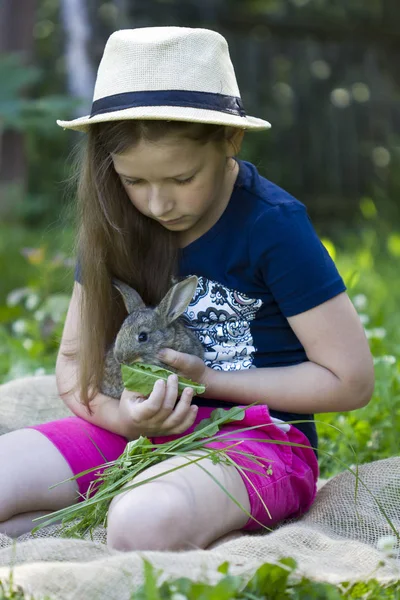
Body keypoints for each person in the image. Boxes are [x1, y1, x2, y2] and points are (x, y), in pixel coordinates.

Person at [0, 27, 374, 551]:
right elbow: (74, 364)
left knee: (144, 522)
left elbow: (351, 381)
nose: (157, 204)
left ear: (231, 141)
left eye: (181, 179)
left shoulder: (273, 225)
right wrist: (123, 418)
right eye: (135, 182)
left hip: (256, 439)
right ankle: (83, 518)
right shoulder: (113, 221)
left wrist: (209, 379)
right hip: (133, 433)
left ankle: (125, 515)